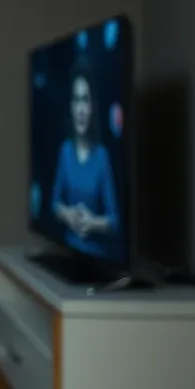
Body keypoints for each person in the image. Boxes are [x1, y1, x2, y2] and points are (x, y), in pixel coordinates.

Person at [51, 55, 119, 259]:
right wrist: (68, 215)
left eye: (85, 100)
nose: (80, 109)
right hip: (67, 250)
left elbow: (115, 221)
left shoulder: (102, 157)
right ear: (71, 107)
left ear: (92, 107)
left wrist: (92, 223)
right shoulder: (65, 151)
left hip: (96, 258)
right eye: (76, 100)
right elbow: (54, 203)